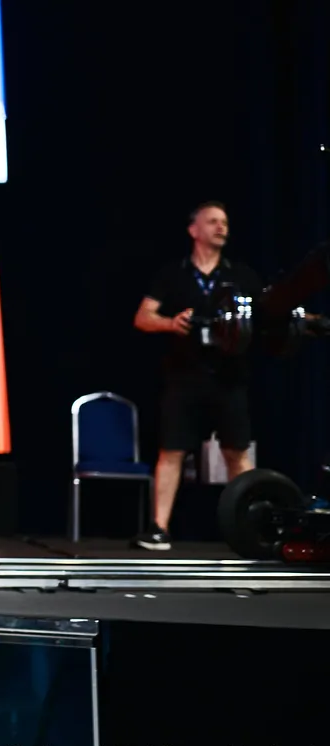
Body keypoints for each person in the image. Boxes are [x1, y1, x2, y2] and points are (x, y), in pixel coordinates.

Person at [131, 202, 262, 550]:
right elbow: (143, 317)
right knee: (172, 450)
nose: (222, 228)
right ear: (194, 230)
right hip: (184, 375)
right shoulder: (173, 274)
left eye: (225, 223)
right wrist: (170, 323)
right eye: (213, 221)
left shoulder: (241, 275)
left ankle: (249, 528)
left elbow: (265, 316)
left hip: (229, 375)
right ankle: (159, 529)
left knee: (237, 451)